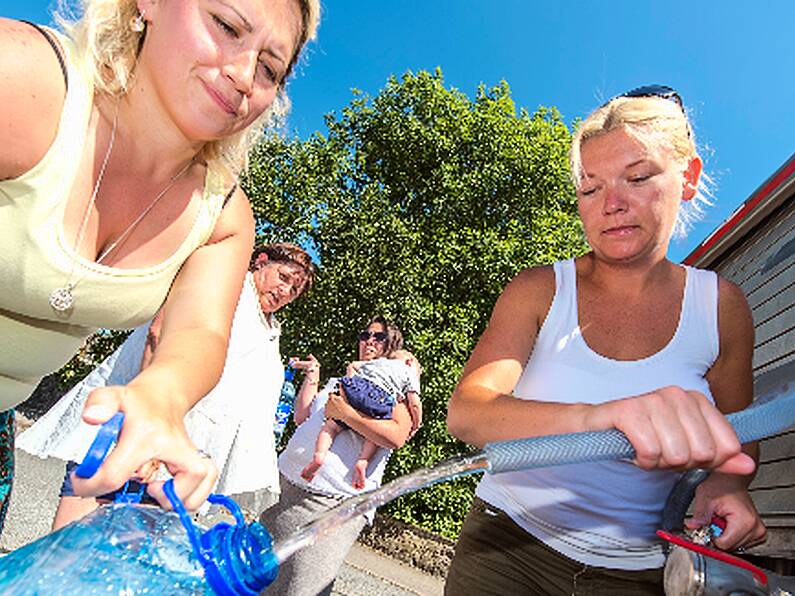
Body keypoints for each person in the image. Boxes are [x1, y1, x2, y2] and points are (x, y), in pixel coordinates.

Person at [0, 1, 320, 525]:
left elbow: (198, 334)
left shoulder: (223, 216)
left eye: (269, 69)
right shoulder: (22, 81)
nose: (243, 76)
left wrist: (161, 398)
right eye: (226, 26)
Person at [444, 85, 767, 595]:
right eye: (590, 188)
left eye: (637, 178)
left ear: (688, 178)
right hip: (505, 544)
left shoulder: (721, 308)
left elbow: (738, 436)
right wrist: (599, 417)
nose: (611, 204)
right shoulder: (539, 289)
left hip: (635, 572)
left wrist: (726, 485)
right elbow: (467, 413)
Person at [18, 242, 316, 529]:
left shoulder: (267, 327)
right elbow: (158, 334)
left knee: (122, 554)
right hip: (135, 427)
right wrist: (144, 431)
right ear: (261, 261)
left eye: (294, 290)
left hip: (179, 453)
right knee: (72, 537)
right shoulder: (223, 289)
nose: (285, 291)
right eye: (284, 277)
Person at [261, 316, 414, 596]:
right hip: (287, 488)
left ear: (391, 345)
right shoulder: (343, 380)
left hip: (334, 502)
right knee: (260, 581)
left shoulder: (396, 388)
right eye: (364, 334)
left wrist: (345, 414)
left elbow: (396, 436)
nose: (368, 341)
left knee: (303, 589)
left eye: (377, 337)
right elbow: (302, 417)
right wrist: (313, 375)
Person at [300, 348, 422, 489]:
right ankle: (363, 461)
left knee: (331, 426)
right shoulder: (408, 372)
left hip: (356, 386)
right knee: (376, 430)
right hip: (380, 397)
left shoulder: (379, 362)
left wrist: (351, 383)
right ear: (410, 362)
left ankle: (319, 456)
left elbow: (352, 365)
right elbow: (415, 404)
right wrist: (416, 424)